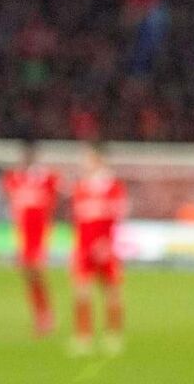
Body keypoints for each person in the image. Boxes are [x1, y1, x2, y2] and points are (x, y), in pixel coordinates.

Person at [69, 141, 128, 355]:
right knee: (81, 292)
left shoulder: (113, 187)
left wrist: (106, 243)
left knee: (111, 291)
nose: (84, 163)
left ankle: (113, 334)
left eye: (88, 159)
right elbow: (79, 220)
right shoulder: (80, 187)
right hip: (84, 248)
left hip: (105, 248)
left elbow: (116, 217)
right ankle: (83, 336)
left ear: (98, 160)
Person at [1, 139, 58, 338]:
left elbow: (52, 203)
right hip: (23, 235)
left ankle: (45, 315)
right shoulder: (14, 178)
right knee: (29, 275)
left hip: (39, 235)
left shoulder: (47, 178)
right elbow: (11, 200)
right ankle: (41, 315)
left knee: (36, 272)